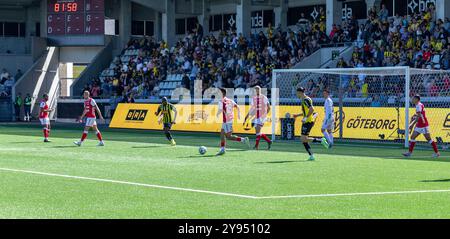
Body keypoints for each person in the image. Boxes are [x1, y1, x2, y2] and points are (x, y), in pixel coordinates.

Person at [292, 87, 328, 161]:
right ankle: (311, 156)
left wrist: (306, 118)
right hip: (307, 121)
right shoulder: (305, 99)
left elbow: (312, 109)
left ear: (300, 92)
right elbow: (306, 112)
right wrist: (298, 115)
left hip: (308, 121)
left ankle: (321, 140)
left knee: (303, 139)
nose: (296, 94)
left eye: (297, 93)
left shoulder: (305, 100)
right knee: (303, 140)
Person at [217, 88, 250, 155]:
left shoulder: (221, 101)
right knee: (225, 135)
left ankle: (223, 149)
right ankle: (243, 140)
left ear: (222, 93)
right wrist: (238, 114)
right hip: (228, 120)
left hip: (227, 121)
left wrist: (217, 113)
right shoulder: (230, 100)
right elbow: (237, 106)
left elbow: (221, 110)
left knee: (227, 136)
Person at [244, 86, 272, 150]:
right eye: (256, 90)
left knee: (258, 131)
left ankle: (256, 146)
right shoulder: (253, 98)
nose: (257, 91)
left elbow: (269, 107)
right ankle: (269, 141)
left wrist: (265, 115)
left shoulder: (264, 97)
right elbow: (252, 109)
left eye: (258, 90)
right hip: (257, 116)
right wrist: (247, 116)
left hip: (262, 116)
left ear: (260, 90)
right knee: (258, 132)